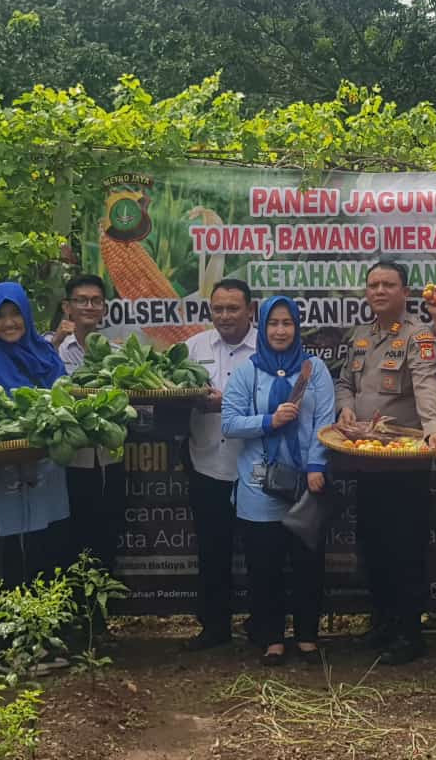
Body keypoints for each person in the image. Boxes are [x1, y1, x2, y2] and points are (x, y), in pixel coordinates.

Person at [334, 260, 436, 665]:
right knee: (372, 543)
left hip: (404, 462)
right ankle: (382, 622)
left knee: (405, 547)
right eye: (373, 285)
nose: (379, 291)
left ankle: (408, 631)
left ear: (405, 292)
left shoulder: (418, 335)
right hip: (365, 459)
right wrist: (345, 409)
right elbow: (344, 383)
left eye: (388, 285)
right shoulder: (360, 335)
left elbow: (426, 387)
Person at [221, 296, 334, 666]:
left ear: (297, 327)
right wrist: (269, 420)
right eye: (274, 324)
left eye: (287, 323)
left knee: (307, 564)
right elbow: (230, 423)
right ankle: (271, 637)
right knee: (264, 566)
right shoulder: (248, 371)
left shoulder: (313, 368)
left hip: (307, 484)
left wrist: (317, 465)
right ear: (263, 327)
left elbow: (325, 422)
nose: (281, 330)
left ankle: (306, 636)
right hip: (259, 484)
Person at [0, 281, 71, 584]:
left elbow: (66, 399)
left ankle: (50, 625)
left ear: (26, 314)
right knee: (14, 557)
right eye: (0, 316)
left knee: (51, 550)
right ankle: (16, 628)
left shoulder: (47, 356)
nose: (9, 322)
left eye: (15, 313)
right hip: (6, 472)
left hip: (49, 470)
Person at [181, 278, 256, 651]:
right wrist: (191, 401)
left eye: (233, 308)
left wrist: (228, 404)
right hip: (207, 461)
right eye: (219, 309)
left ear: (250, 310)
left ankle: (263, 626)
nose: (225, 316)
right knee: (212, 550)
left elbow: (282, 402)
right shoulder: (192, 348)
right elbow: (171, 393)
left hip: (255, 468)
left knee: (260, 551)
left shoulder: (268, 349)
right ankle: (214, 627)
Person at [47, 274, 125, 575]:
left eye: (96, 301)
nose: (89, 306)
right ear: (68, 306)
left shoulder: (117, 355)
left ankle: (98, 615)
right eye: (81, 300)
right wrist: (54, 341)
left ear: (104, 308)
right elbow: (40, 383)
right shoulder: (52, 349)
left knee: (106, 538)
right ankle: (72, 614)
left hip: (108, 461)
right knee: (68, 539)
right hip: (68, 462)